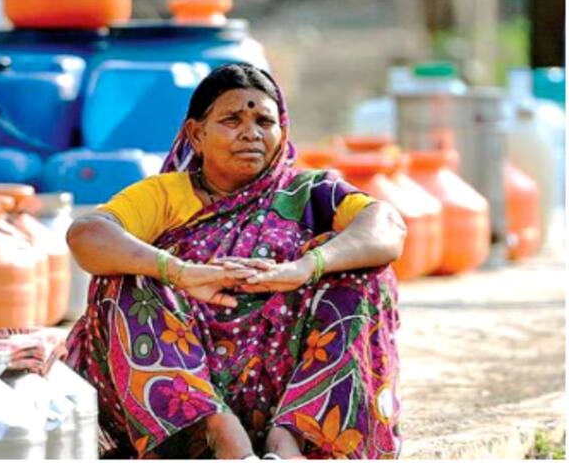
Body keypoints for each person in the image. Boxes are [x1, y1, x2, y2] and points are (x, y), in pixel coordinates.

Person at [64, 63, 407, 459]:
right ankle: (223, 437)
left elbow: (386, 227)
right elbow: (86, 235)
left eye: (265, 120)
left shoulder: (309, 192)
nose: (251, 133)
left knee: (365, 273)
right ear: (196, 133)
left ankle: (289, 441)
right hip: (182, 397)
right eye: (232, 119)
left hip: (287, 388)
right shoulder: (165, 194)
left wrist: (305, 267)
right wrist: (179, 272)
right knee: (124, 279)